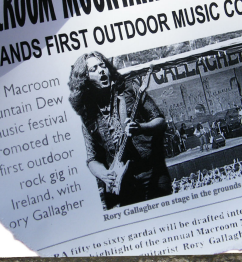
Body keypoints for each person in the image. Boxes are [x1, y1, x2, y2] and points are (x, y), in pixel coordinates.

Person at [68, 52, 171, 208]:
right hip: (124, 182)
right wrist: (103, 174)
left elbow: (160, 121)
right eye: (94, 69)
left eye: (103, 66)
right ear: (84, 79)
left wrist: (141, 128)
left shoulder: (130, 90)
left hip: (152, 172)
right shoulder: (88, 116)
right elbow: (92, 158)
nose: (101, 70)